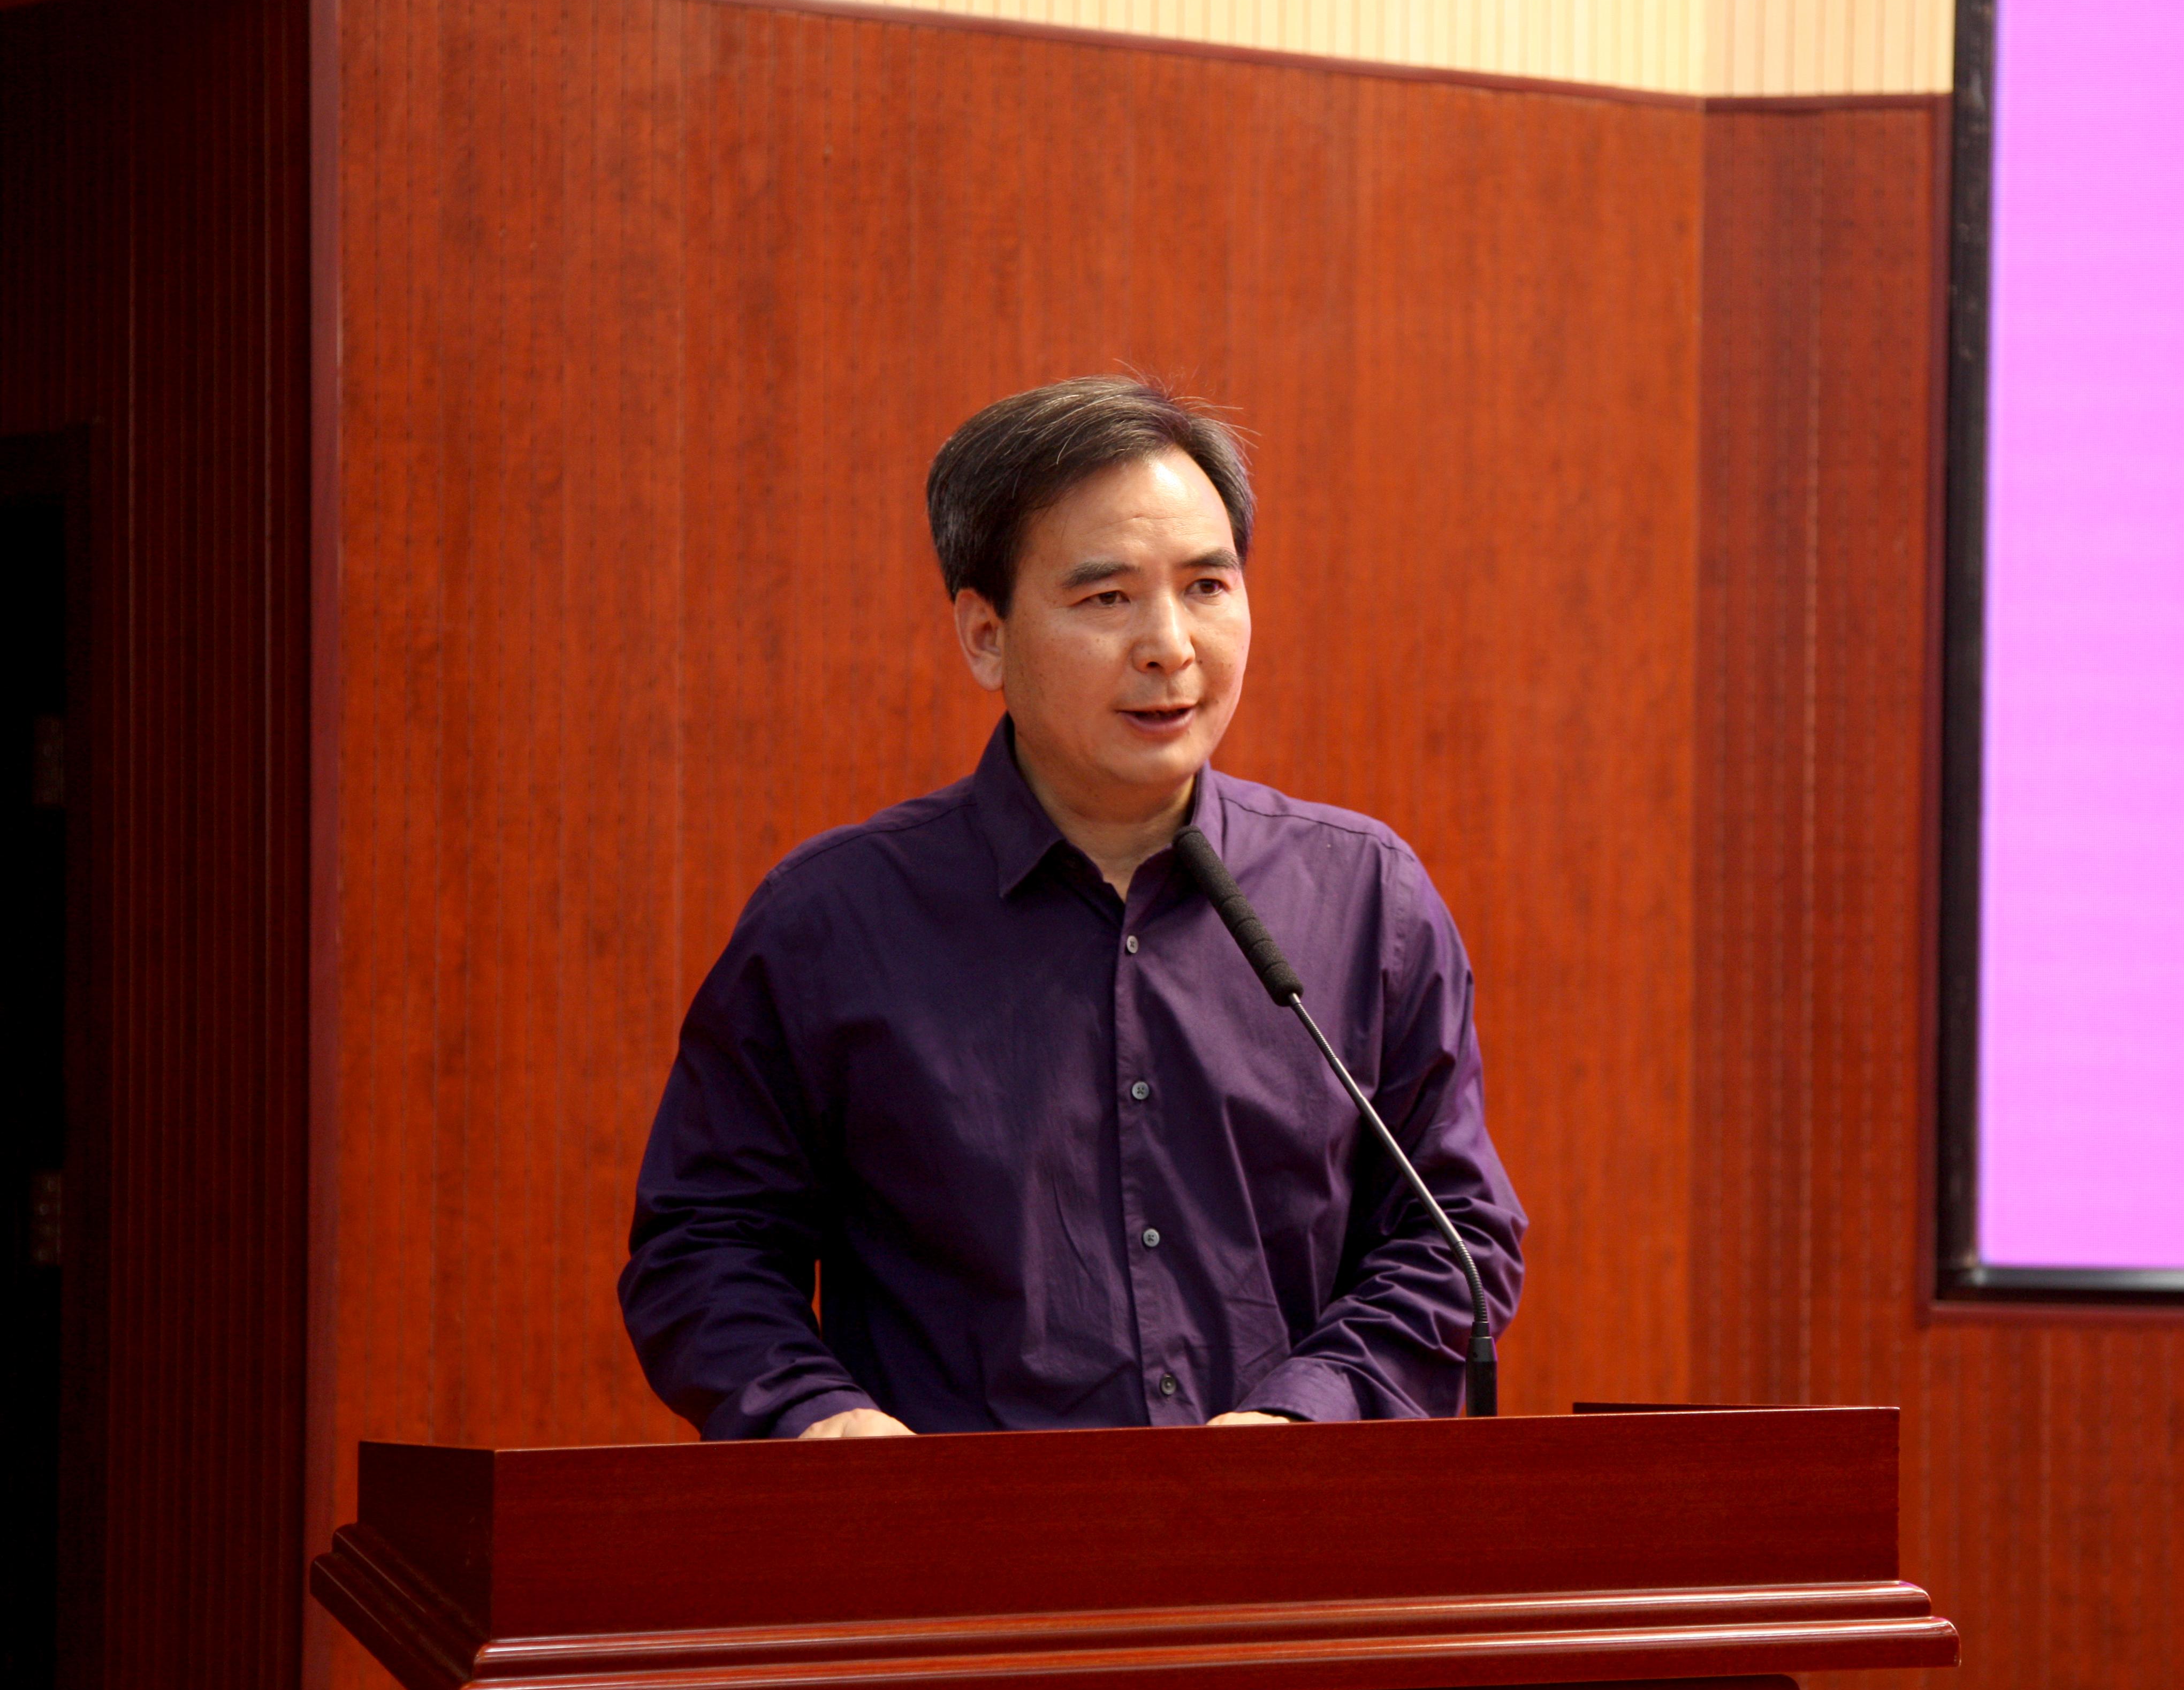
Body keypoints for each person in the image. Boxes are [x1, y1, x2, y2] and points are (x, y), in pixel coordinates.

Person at [618, 376, 1525, 1437]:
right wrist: (819, 1418)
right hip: (949, 1531)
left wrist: (1299, 1424)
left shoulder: (1364, 897)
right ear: (984, 635)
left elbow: (1451, 1236)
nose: (1169, 644)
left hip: (1280, 1526)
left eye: (1206, 585)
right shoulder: (832, 921)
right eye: (1107, 599)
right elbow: (705, 1247)